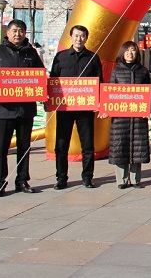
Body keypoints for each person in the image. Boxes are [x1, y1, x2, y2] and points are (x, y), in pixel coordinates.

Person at [0, 19, 44, 197]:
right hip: (4, 110)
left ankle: (22, 180)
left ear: (25, 33)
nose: (18, 34)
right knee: (1, 148)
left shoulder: (31, 53)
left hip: (25, 110)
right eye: (14, 31)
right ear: (7, 33)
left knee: (24, 147)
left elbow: (41, 75)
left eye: (21, 31)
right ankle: (0, 183)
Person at [50, 25, 105, 190]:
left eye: (82, 36)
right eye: (76, 36)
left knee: (87, 146)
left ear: (86, 38)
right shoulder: (61, 57)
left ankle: (87, 177)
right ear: (71, 37)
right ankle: (61, 178)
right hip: (65, 109)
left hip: (85, 109)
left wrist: (99, 102)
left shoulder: (93, 58)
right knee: (61, 145)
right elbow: (53, 81)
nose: (79, 39)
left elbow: (99, 82)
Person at [107, 41, 151, 189]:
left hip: (138, 117)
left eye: (133, 50)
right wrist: (107, 109)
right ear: (122, 53)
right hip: (120, 118)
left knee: (137, 147)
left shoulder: (143, 71)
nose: (130, 53)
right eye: (127, 50)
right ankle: (122, 180)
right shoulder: (116, 71)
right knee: (120, 146)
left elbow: (148, 93)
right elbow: (110, 93)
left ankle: (135, 179)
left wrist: (148, 109)